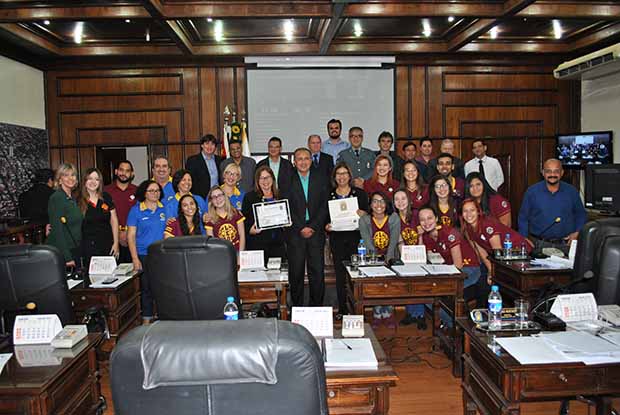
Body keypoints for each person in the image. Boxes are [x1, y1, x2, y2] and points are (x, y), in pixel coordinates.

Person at [283, 148, 328, 307]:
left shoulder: (321, 177)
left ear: (311, 160)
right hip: (295, 233)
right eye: (299, 159)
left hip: (316, 232)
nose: (303, 162)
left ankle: (317, 308)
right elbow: (286, 207)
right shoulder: (287, 179)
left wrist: (313, 226)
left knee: (317, 273)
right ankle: (297, 309)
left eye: (306, 158)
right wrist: (300, 227)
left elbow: (325, 206)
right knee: (296, 274)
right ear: (294, 162)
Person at [418, 205, 481, 312]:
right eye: (422, 220)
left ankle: (458, 324)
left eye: (429, 218)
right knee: (427, 296)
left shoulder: (449, 233)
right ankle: (451, 324)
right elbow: (421, 259)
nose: (426, 222)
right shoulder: (427, 236)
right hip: (451, 271)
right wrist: (419, 236)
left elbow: (458, 265)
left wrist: (443, 281)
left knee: (442, 294)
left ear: (436, 218)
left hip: (468, 269)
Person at [325, 162, 368, 318]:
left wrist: (363, 214)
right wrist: (327, 225)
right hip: (337, 239)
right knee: (340, 276)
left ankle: (356, 309)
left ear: (349, 176)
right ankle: (342, 310)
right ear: (334, 177)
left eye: (344, 173)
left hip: (356, 240)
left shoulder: (360, 194)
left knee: (355, 275)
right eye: (338, 174)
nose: (341, 177)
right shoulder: (328, 194)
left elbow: (368, 217)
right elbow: (324, 218)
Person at [518, 158, 587, 254]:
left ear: (562, 173)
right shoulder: (532, 192)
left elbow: (581, 214)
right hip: (538, 244)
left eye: (556, 171)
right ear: (543, 172)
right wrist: (523, 238)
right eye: (548, 171)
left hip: (566, 245)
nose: (552, 175)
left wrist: (577, 232)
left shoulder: (571, 191)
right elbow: (523, 218)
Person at [127, 179, 167, 323]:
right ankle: (146, 319)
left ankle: (164, 317)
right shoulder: (136, 210)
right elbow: (130, 236)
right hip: (143, 255)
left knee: (163, 287)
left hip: (162, 255)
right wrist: (134, 258)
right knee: (146, 288)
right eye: (151, 191)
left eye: (157, 190)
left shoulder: (165, 208)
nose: (155, 193)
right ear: (144, 193)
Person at [359, 191, 400, 327]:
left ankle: (388, 313)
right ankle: (377, 313)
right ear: (370, 204)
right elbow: (367, 242)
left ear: (387, 204)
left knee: (388, 284)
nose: (379, 204)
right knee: (376, 284)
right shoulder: (364, 220)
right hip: (372, 257)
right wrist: (376, 260)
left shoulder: (393, 218)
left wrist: (388, 260)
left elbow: (393, 241)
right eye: (375, 201)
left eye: (382, 201)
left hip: (390, 256)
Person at [393, 189, 426, 329]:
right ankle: (410, 314)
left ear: (409, 200)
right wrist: (405, 257)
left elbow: (421, 235)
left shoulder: (417, 214)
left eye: (403, 198)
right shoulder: (394, 218)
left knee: (419, 282)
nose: (400, 202)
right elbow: (399, 240)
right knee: (408, 282)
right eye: (397, 199)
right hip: (404, 253)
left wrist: (419, 254)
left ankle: (421, 315)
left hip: (420, 251)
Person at [242, 166, 287, 264]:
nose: (265, 181)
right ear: (257, 181)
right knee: (259, 277)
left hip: (278, 246)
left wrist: (287, 223)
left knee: (277, 276)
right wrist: (251, 230)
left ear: (273, 179)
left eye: (268, 177)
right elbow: (244, 221)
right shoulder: (250, 197)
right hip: (257, 245)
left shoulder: (280, 196)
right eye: (261, 178)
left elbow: (287, 218)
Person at [462, 198, 533, 258]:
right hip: (505, 257)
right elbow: (481, 252)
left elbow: (498, 251)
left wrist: (495, 273)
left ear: (478, 211)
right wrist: (490, 270)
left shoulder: (487, 224)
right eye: (465, 211)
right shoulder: (468, 228)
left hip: (521, 252)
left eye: (472, 210)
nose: (469, 214)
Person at [78, 168, 119, 268]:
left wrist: (116, 243)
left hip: (107, 244)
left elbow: (114, 220)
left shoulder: (106, 197)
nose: (93, 182)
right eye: (90, 178)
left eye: (96, 179)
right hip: (88, 247)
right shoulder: (78, 200)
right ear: (84, 181)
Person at [47, 163, 82, 267]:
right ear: (60, 179)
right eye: (66, 175)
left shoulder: (71, 198)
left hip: (74, 248)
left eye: (73, 175)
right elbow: (57, 230)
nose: (70, 178)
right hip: (64, 252)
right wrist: (67, 257)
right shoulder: (57, 198)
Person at [104, 160, 137, 263]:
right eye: (121, 170)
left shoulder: (138, 191)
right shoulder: (105, 191)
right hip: (111, 239)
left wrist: (128, 233)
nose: (124, 173)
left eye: (127, 171)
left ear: (132, 174)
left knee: (134, 273)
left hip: (132, 238)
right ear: (116, 171)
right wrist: (118, 234)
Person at [204, 186, 246, 252]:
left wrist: (241, 255)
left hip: (238, 251)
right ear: (211, 201)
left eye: (220, 195)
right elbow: (212, 243)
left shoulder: (235, 213)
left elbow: (242, 235)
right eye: (214, 197)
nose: (218, 199)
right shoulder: (210, 219)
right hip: (221, 254)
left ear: (225, 196)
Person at [185, 134, 222, 199]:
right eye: (207, 143)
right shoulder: (193, 161)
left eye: (212, 144)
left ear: (215, 147)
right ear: (202, 145)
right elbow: (191, 181)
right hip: (200, 198)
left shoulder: (220, 160)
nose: (209, 146)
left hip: (217, 197)